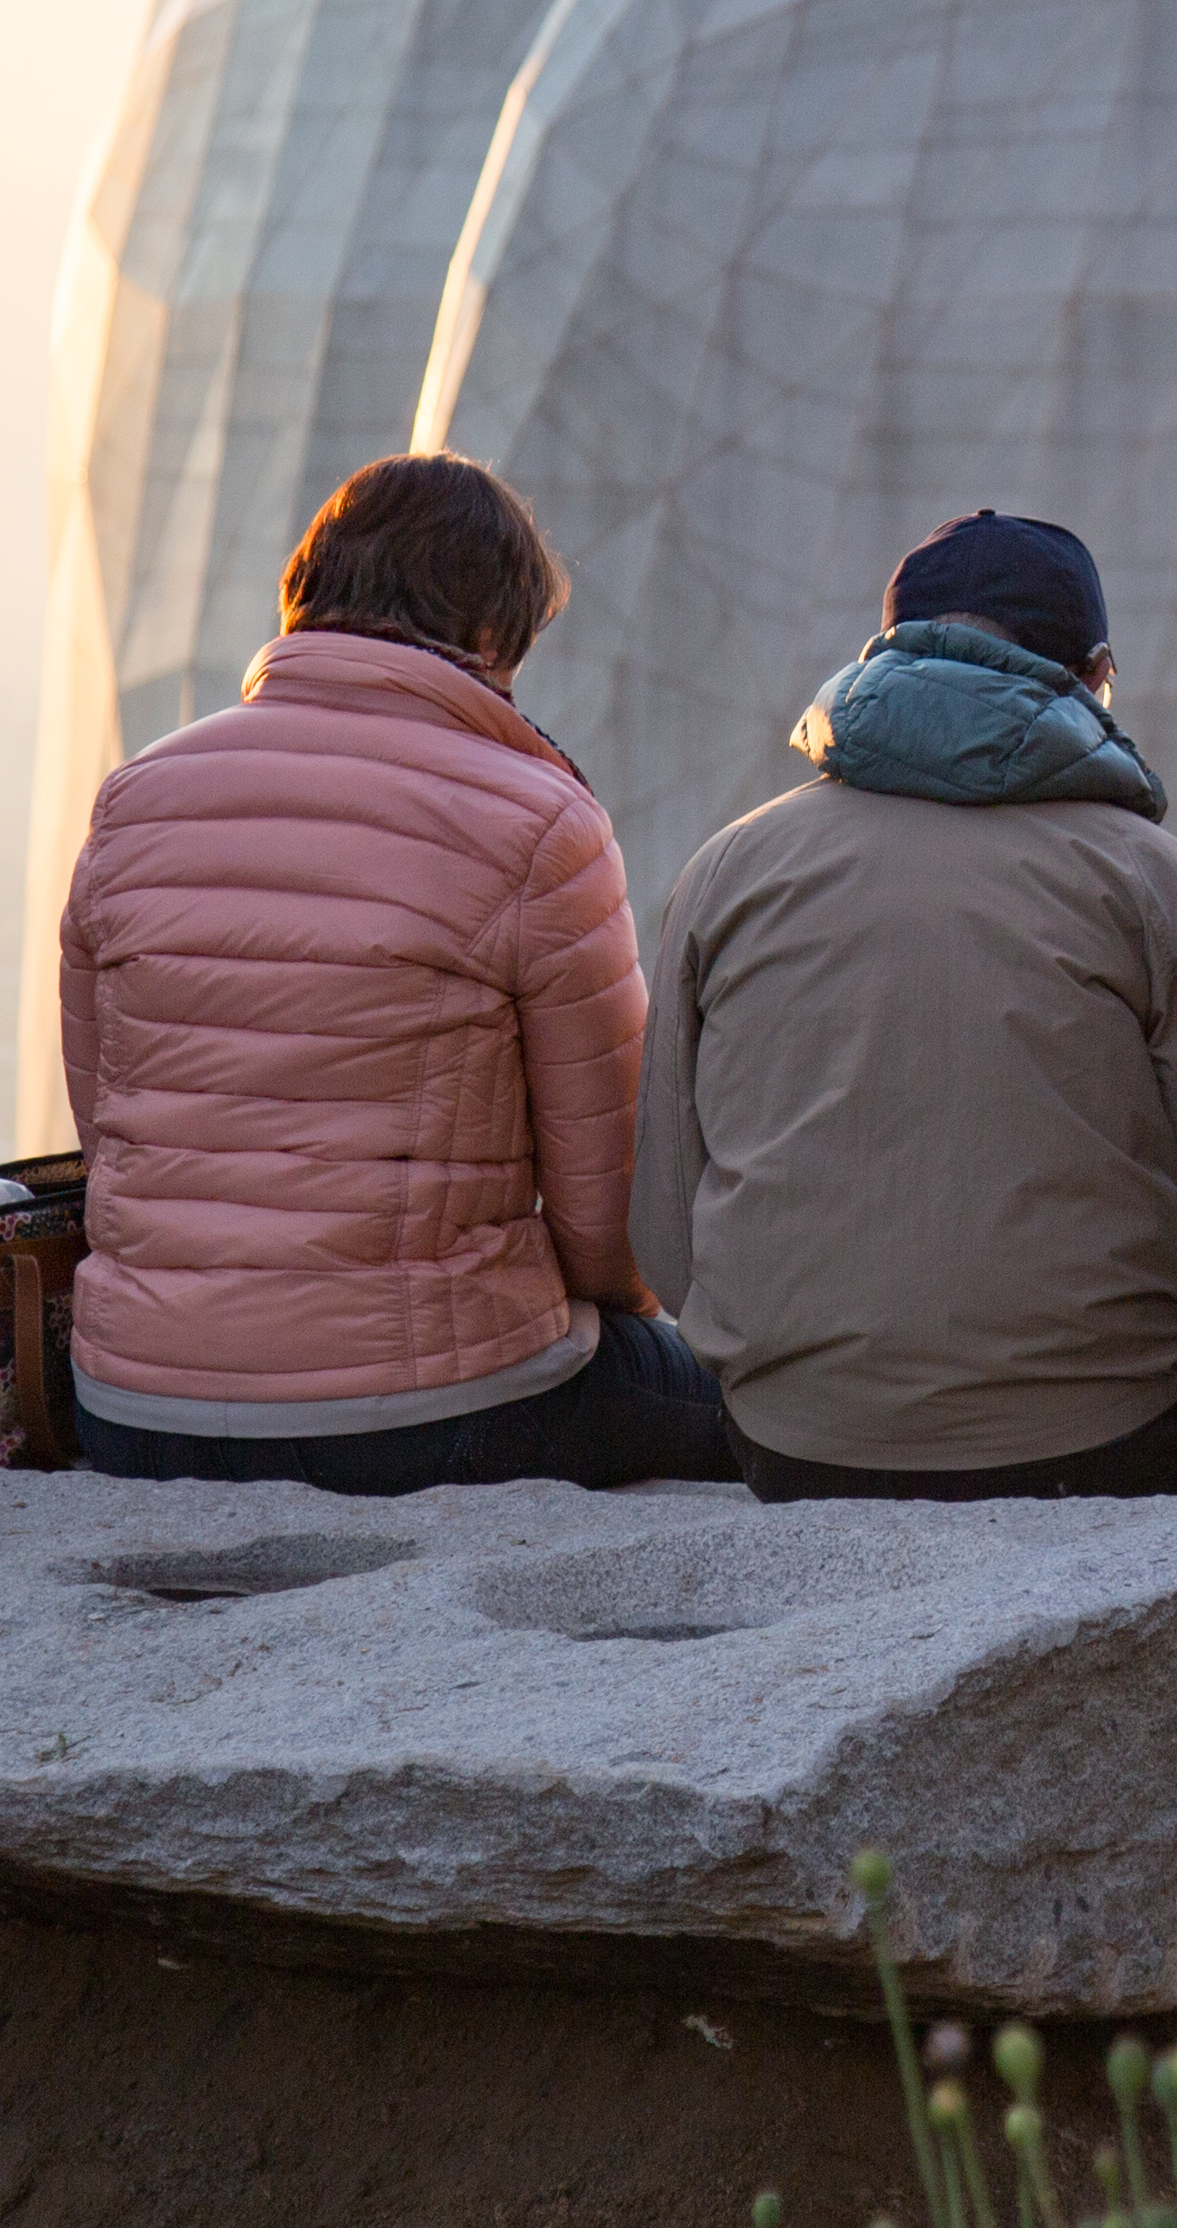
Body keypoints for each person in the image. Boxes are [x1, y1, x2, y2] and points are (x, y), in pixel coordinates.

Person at [55, 451, 725, 1492]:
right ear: (494, 636)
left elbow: (112, 1126)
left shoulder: (135, 798)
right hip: (421, 1417)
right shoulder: (539, 823)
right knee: (757, 1404)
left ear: (304, 596)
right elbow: (606, 1215)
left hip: (136, 1409)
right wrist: (618, 1310)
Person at [633, 512, 1177, 1501]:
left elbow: (666, 1233)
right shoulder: (1158, 882)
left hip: (796, 1444)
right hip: (1107, 1437)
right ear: (1095, 674)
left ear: (884, 657)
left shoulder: (726, 871)